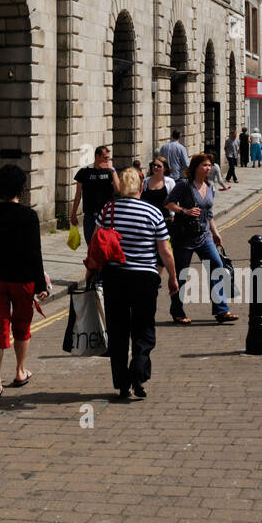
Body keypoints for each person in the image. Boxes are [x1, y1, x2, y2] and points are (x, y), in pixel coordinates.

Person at [96, 167, 180, 400]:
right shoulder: (153, 213)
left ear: (120, 187)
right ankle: (139, 374)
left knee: (118, 331)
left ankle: (123, 384)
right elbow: (165, 251)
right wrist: (173, 277)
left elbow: (97, 242)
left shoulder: (108, 210)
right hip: (145, 278)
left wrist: (91, 270)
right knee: (143, 330)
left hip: (115, 277)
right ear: (141, 187)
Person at [0, 163, 50, 399]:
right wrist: (40, 284)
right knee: (21, 325)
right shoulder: (29, 216)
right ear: (22, 188)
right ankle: (20, 371)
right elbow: (34, 253)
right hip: (22, 280)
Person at [166, 153, 238, 324]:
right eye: (204, 165)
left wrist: (215, 232)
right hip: (184, 237)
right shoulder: (184, 185)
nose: (208, 168)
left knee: (217, 266)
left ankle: (221, 310)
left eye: (209, 165)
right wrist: (185, 211)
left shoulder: (210, 186)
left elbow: (209, 213)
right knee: (181, 275)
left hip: (204, 235)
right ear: (196, 167)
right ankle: (177, 311)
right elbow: (168, 203)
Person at [70, 145, 120, 246]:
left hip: (107, 216)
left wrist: (113, 171)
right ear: (97, 156)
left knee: (106, 247)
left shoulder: (110, 171)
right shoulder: (84, 172)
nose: (107, 160)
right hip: (90, 216)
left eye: (108, 158)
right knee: (91, 246)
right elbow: (78, 195)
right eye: (105, 158)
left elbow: (118, 190)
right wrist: (73, 213)